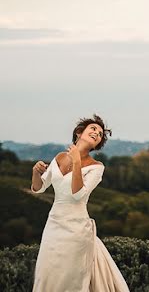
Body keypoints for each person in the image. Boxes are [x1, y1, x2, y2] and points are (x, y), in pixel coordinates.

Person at [31, 115, 129, 292]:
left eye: (99, 134)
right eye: (93, 129)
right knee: (46, 274)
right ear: (79, 132)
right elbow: (38, 189)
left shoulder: (97, 167)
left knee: (71, 278)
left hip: (76, 229)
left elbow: (78, 194)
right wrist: (36, 173)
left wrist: (77, 161)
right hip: (53, 225)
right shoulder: (59, 157)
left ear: (97, 144)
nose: (96, 133)